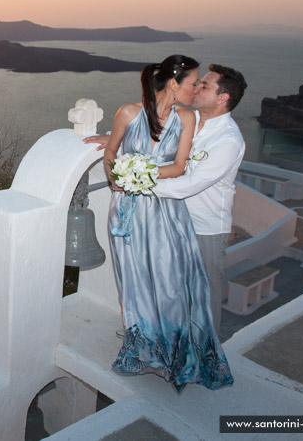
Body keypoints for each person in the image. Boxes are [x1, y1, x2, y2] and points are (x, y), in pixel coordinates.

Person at [88, 54, 233, 392]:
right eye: (193, 82)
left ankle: (176, 354)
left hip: (166, 211)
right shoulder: (127, 112)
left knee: (170, 282)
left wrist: (139, 175)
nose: (196, 89)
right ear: (173, 83)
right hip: (127, 211)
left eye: (200, 84)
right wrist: (117, 180)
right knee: (135, 281)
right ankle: (142, 351)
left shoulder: (188, 117)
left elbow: (180, 166)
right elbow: (111, 154)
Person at [152, 64, 247, 334]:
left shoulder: (228, 140)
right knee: (173, 289)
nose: (196, 88)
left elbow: (190, 185)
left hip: (205, 229)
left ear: (223, 98)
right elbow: (154, 136)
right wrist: (112, 138)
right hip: (175, 220)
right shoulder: (188, 119)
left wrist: (139, 184)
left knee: (204, 297)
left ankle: (207, 359)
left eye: (204, 85)